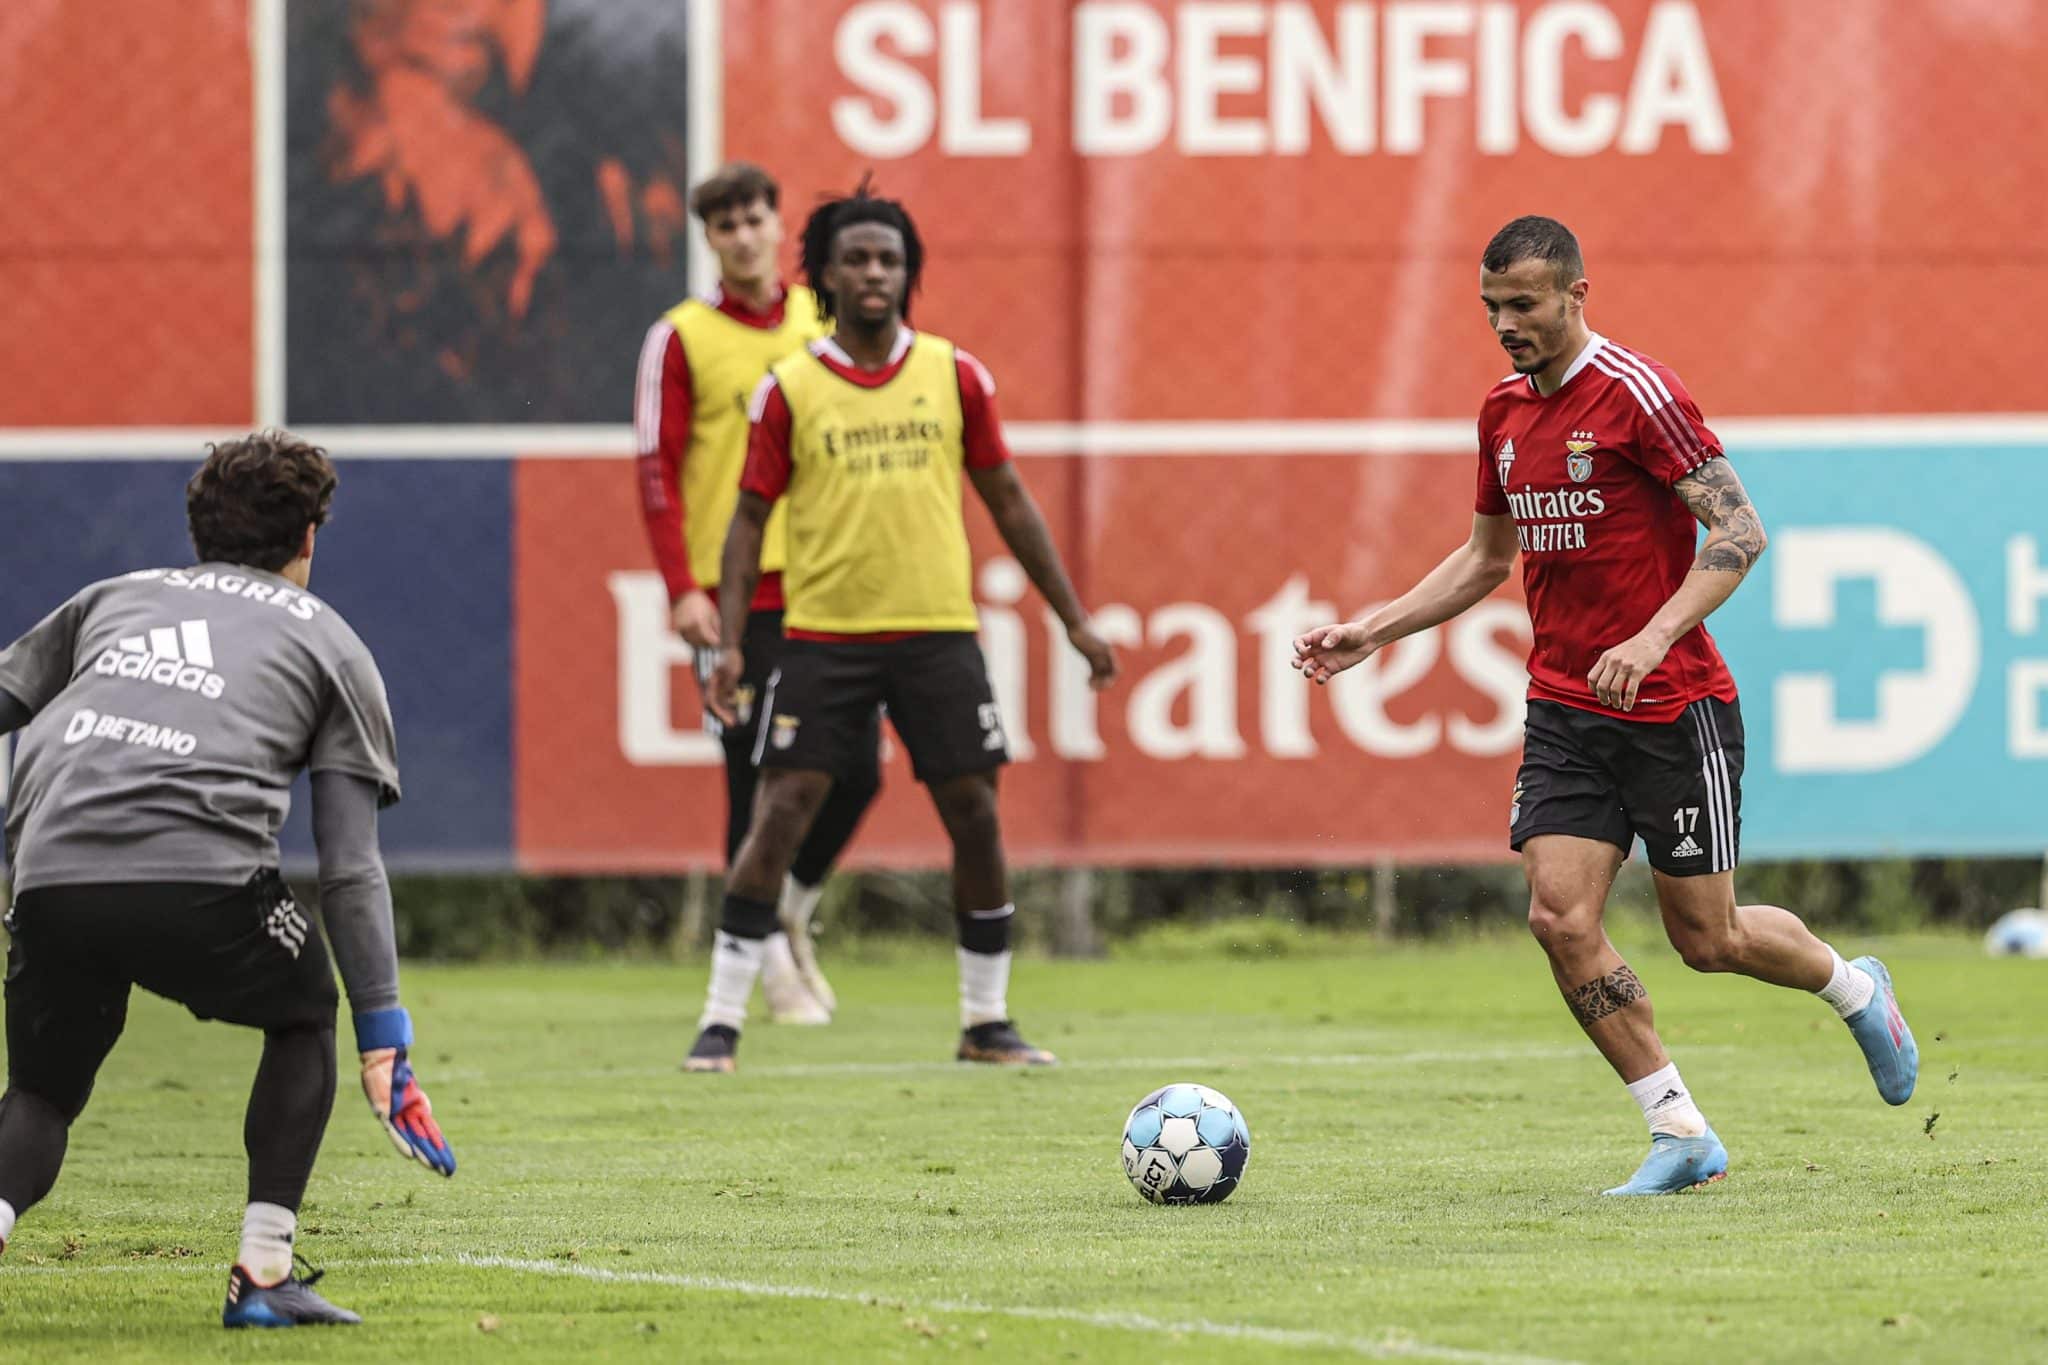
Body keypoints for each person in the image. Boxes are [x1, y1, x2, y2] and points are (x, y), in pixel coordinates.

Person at [1292, 216, 1918, 1195]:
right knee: (1556, 917)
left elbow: (1738, 532)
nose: (1506, 324)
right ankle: (1678, 1131)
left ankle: (1851, 988)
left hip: (1673, 704)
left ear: (1576, 295)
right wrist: (1374, 629)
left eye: (1525, 304)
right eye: (1492, 307)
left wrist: (1650, 635)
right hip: (1563, 709)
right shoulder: (1500, 413)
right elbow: (1485, 560)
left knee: (1706, 940)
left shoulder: (1638, 396)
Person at [0, 431, 454, 1325]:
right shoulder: (333, 644)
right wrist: (383, 1037)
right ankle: (264, 1269)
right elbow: (350, 864)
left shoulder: (114, 599)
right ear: (309, 539)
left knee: (42, 1090)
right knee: (301, 1009)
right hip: (201, 880)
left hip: (50, 873)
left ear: (201, 530)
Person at [683, 182, 1119, 1073]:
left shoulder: (955, 375)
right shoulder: (788, 389)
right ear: (825, 277)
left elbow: (1009, 499)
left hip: (936, 634)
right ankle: (722, 1019)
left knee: (975, 813)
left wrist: (1072, 617)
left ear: (908, 273)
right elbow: (746, 521)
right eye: (857, 257)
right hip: (824, 637)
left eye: (890, 258)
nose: (875, 271)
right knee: (781, 814)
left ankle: (986, 1021)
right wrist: (730, 643)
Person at [636, 161, 882, 1026]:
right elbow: (657, 470)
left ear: (780, 225)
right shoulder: (682, 337)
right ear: (708, 239)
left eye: (754, 219)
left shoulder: (827, 318)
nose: (742, 236)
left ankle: (788, 906)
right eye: (724, 225)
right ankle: (764, 965)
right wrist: (683, 588)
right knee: (753, 776)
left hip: (832, 582)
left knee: (858, 769)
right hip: (737, 591)